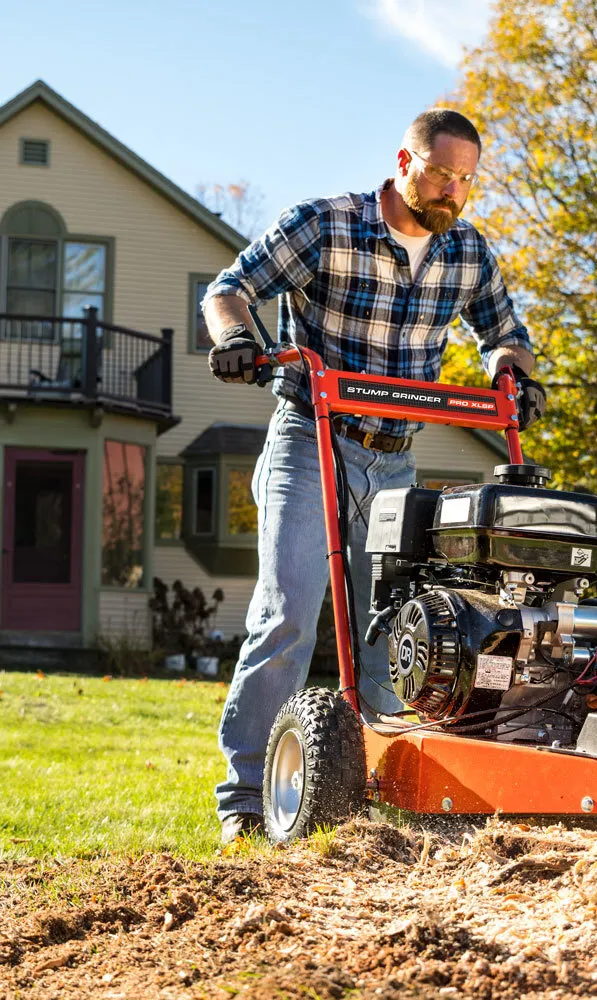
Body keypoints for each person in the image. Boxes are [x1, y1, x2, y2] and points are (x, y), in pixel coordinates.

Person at [202, 108, 545, 844]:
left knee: (393, 632)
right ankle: (246, 800)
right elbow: (228, 289)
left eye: (467, 180)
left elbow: (505, 335)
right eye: (442, 173)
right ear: (404, 161)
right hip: (310, 441)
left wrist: (514, 372)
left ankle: (377, 794)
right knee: (288, 618)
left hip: (395, 460)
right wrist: (235, 337)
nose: (454, 191)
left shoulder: (466, 252)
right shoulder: (325, 224)